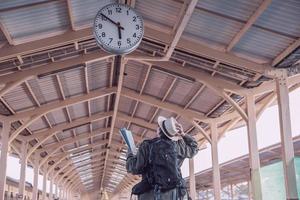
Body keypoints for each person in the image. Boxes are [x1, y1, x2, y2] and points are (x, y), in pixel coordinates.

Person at [126, 116, 199, 200]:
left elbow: (134, 168)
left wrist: (130, 154)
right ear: (172, 133)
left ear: (159, 130)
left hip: (150, 193)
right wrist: (183, 134)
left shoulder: (147, 145)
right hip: (174, 193)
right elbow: (194, 148)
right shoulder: (179, 146)